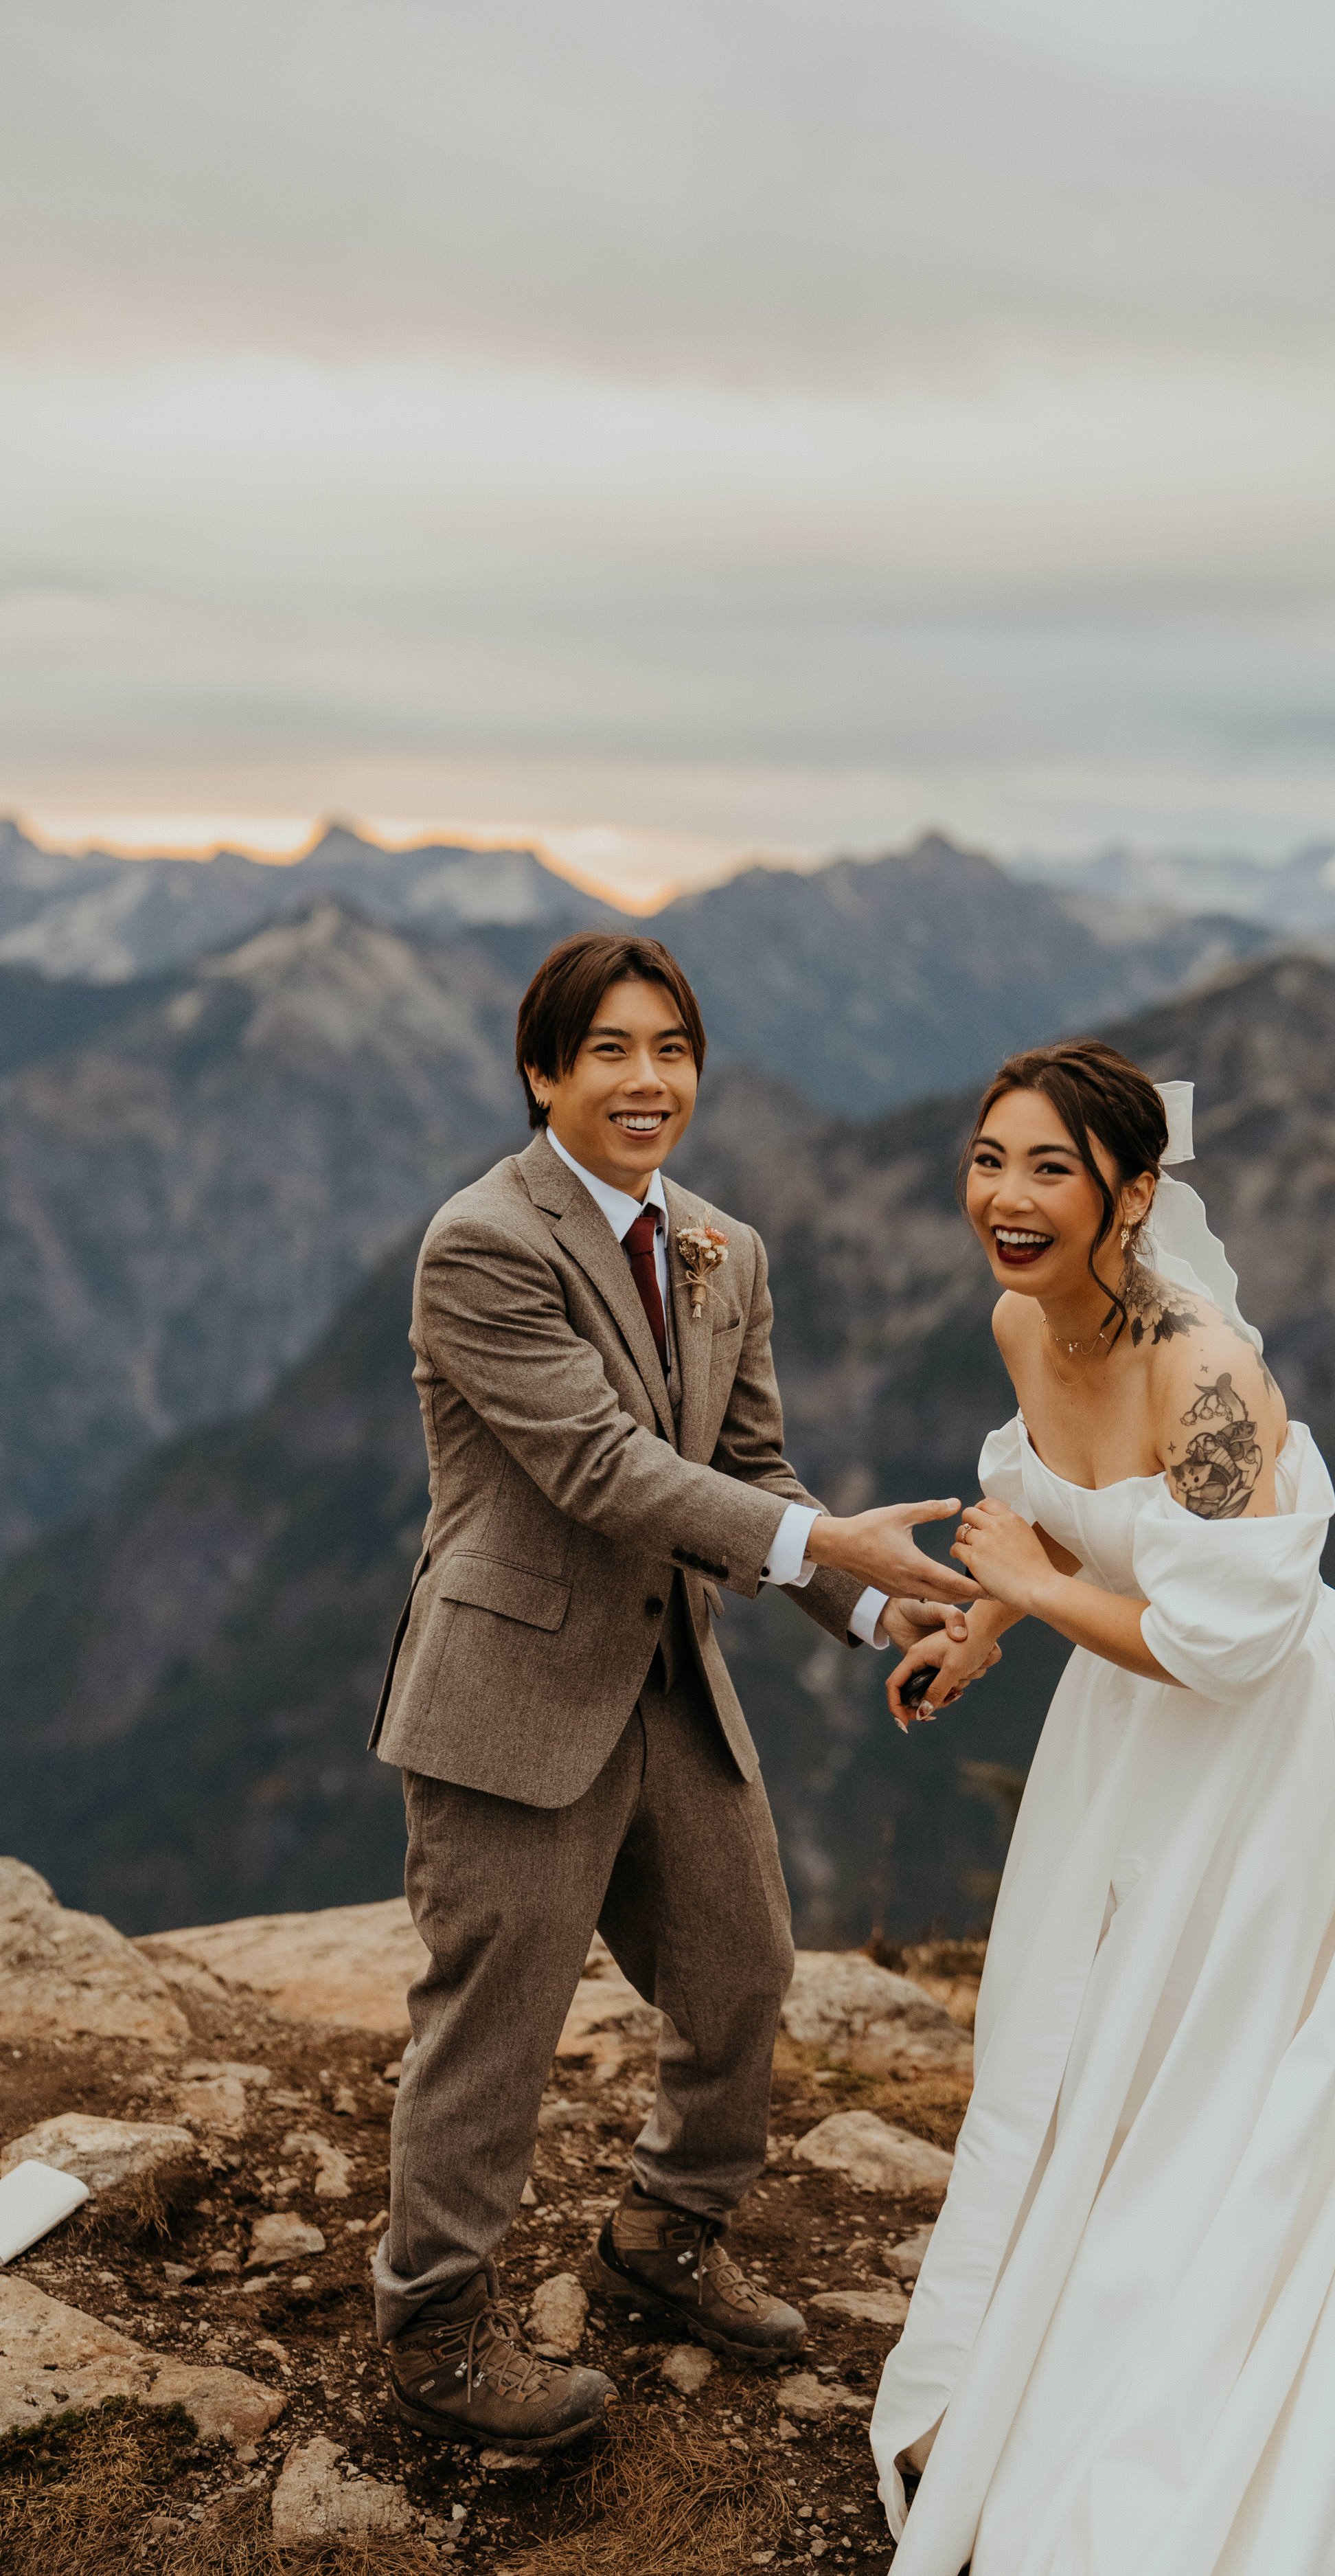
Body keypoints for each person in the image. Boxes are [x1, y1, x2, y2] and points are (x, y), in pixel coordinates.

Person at [869, 1039, 1335, 2575]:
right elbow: (1049, 1512)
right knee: (1080, 2030)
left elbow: (1221, 1640)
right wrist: (982, 1630)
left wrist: (1034, 1588)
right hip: (1127, 1723)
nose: (1006, 1194)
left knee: (1226, 2059)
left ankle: (1188, 2368)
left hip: (1271, 1738)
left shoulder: (1206, 1377)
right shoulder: (1016, 1321)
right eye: (989, 1157)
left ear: (1127, 1196)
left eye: (1050, 1167)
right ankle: (1050, 2337)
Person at [367, 929, 977, 2454]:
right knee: (492, 2026)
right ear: (540, 1073)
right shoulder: (480, 1242)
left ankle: (660, 2238)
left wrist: (867, 1596)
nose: (648, 1083)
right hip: (508, 1692)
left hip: (665, 1679)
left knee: (743, 1969)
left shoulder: (723, 1247)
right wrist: (815, 1539)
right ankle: (432, 2334)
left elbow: (749, 1472)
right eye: (610, 1053)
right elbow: (598, 1466)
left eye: (673, 1051)